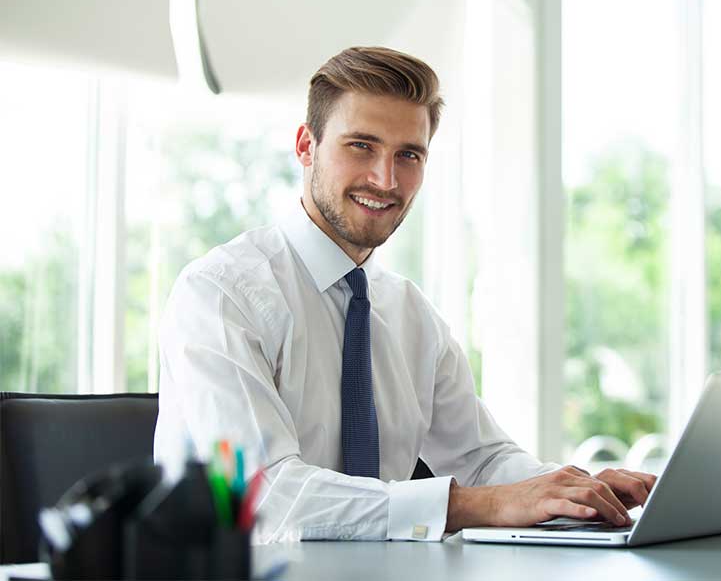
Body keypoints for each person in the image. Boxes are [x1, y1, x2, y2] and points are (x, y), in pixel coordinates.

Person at [154, 46, 656, 543]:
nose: (385, 179)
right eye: (361, 146)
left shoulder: (412, 314)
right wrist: (469, 505)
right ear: (306, 146)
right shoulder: (220, 295)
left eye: (408, 155)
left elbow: (482, 458)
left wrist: (572, 491)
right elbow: (260, 498)